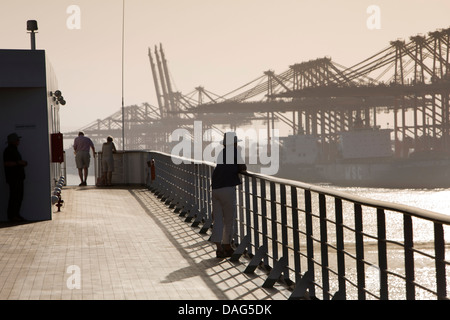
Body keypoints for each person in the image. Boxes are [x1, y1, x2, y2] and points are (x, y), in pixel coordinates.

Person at [210, 132, 247, 258]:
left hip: (215, 187)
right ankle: (227, 245)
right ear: (234, 143)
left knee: (218, 218)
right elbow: (243, 167)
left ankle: (219, 248)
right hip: (227, 188)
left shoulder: (221, 153)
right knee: (229, 218)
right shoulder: (235, 151)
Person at [3, 133, 28, 222]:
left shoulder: (14, 150)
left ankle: (16, 214)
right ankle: (12, 216)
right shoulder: (8, 151)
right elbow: (6, 163)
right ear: (13, 141)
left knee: (18, 197)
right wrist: (19, 163)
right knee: (14, 197)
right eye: (17, 140)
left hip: (18, 177)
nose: (18, 141)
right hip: (14, 178)